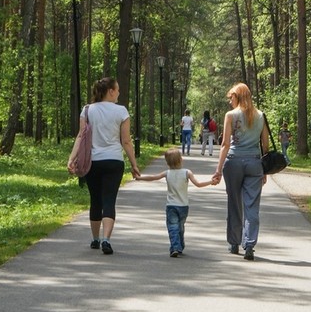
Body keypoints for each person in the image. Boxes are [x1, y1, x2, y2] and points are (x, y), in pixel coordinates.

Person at [69, 77, 140, 255]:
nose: (119, 93)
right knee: (109, 200)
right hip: (114, 161)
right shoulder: (121, 111)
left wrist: (71, 158)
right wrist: (134, 164)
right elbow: (126, 141)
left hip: (93, 162)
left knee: (95, 200)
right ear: (110, 91)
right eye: (117, 90)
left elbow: (80, 136)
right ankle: (106, 240)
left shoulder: (87, 110)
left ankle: (95, 239)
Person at [212, 83, 268, 261]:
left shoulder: (231, 115)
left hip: (234, 162)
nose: (230, 101)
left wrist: (218, 169)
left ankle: (234, 243)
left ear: (239, 97)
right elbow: (265, 145)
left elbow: (225, 145)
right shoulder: (261, 116)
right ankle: (250, 244)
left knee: (234, 203)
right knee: (252, 205)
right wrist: (264, 169)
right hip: (254, 163)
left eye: (232, 97)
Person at [136, 149, 216, 257]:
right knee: (180, 227)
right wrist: (211, 181)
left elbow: (153, 177)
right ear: (181, 160)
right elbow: (198, 184)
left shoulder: (167, 173)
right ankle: (179, 246)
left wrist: (140, 178)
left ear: (167, 162)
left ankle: (175, 247)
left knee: (173, 227)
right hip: (183, 206)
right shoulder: (187, 172)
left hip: (171, 206)